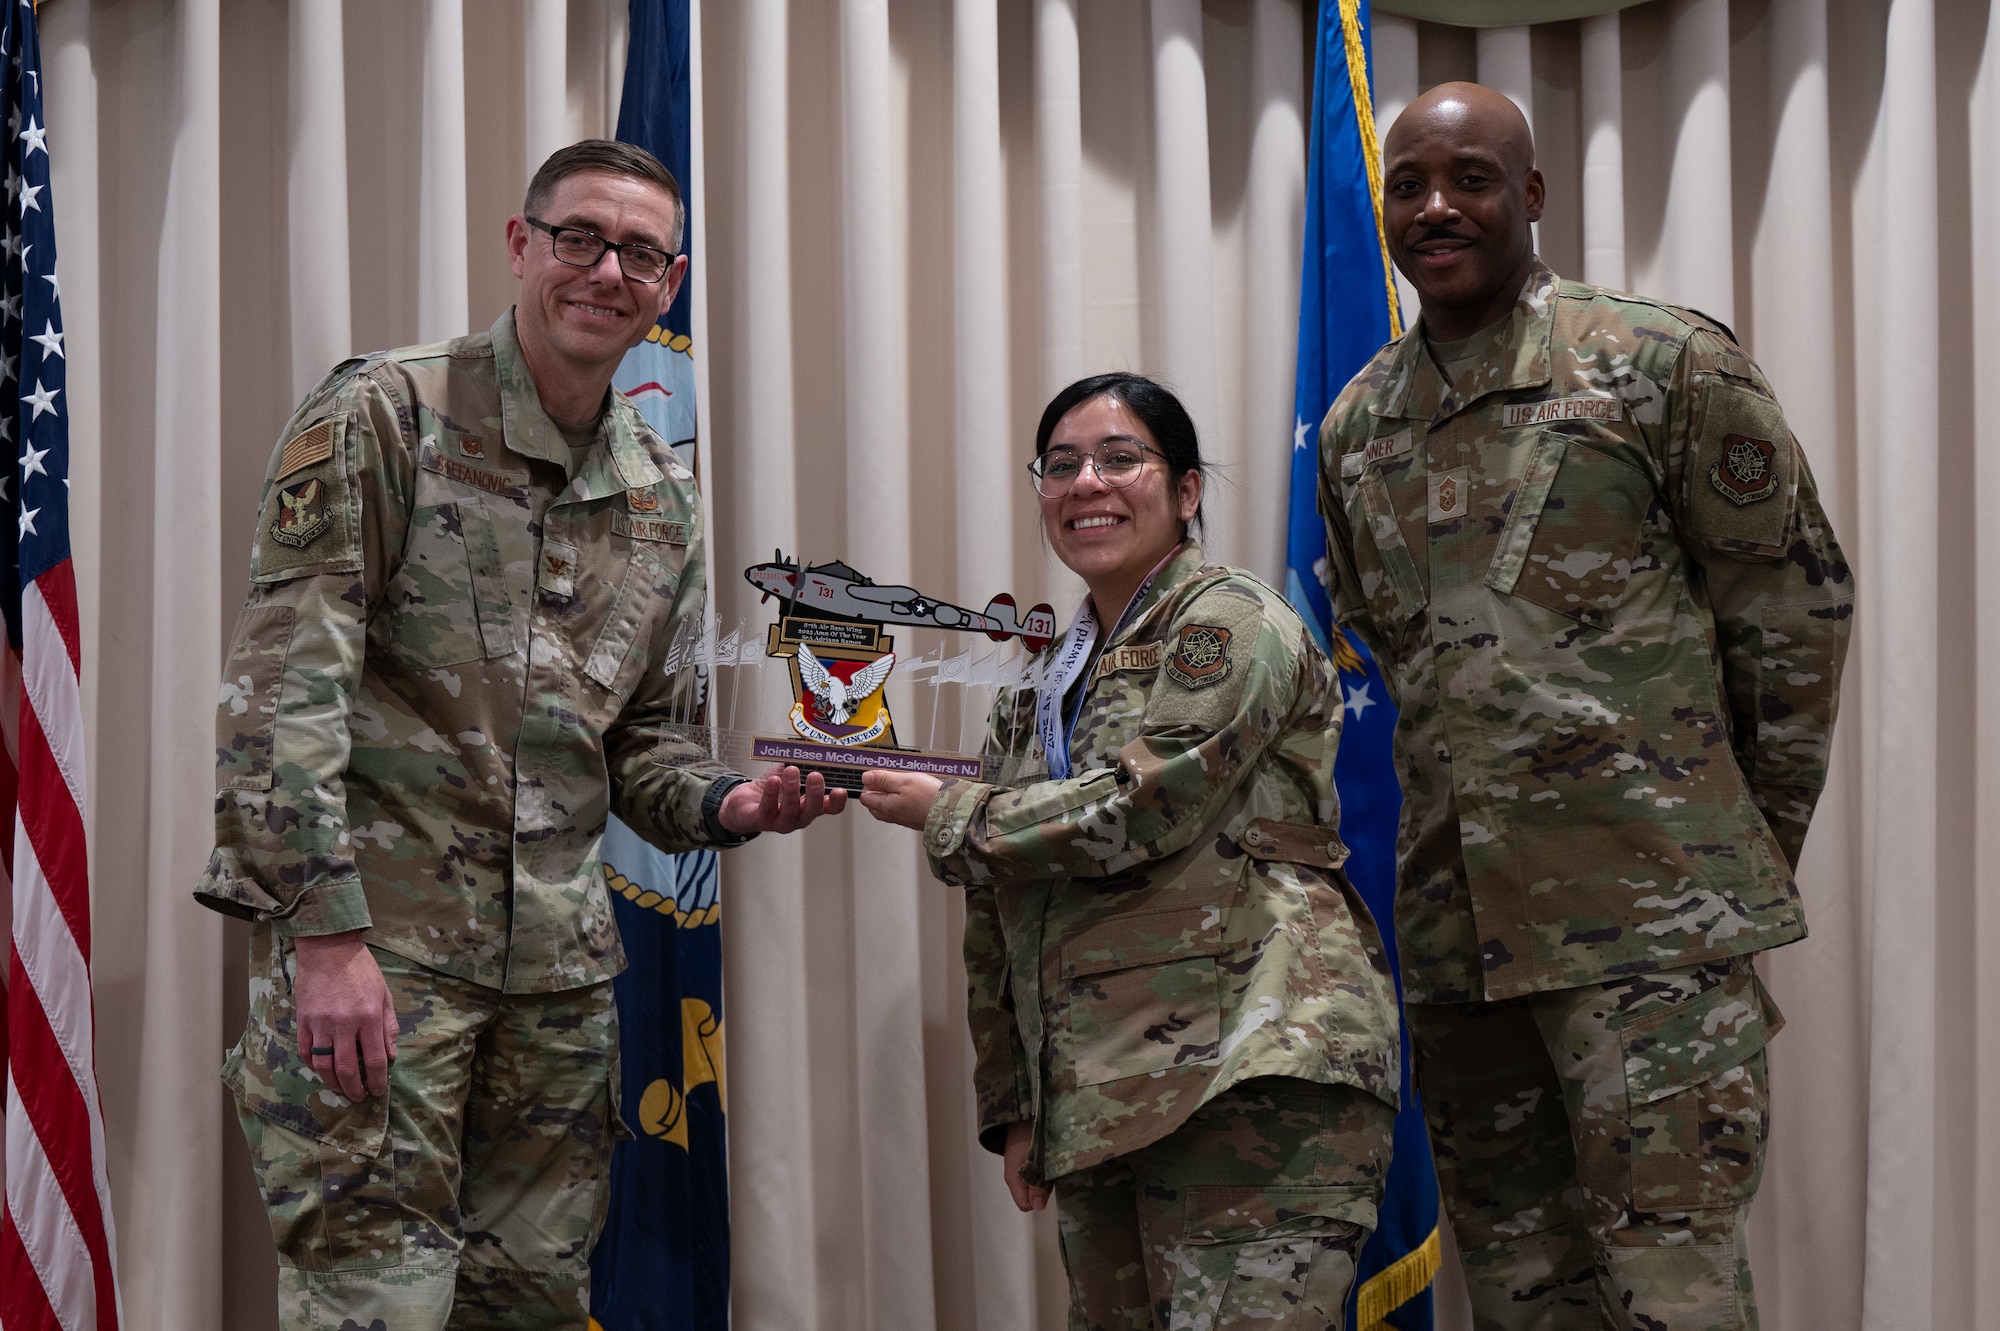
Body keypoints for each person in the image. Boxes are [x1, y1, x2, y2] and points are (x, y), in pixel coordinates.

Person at [195, 140, 845, 1331]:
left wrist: (732, 804)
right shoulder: (386, 412)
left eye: (640, 253)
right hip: (379, 965)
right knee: (371, 1302)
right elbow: (283, 691)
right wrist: (326, 938)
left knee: (533, 1307)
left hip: (555, 986)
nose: (606, 270)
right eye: (579, 238)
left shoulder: (663, 495)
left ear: (671, 280)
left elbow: (641, 745)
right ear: (520, 244)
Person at [1317, 84, 1854, 1329]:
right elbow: (1400, 666)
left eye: (1470, 177)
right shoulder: (1355, 429)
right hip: (1460, 945)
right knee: (1517, 1290)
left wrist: (1722, 857)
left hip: (1651, 930)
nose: (1435, 206)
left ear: (1532, 196)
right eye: (1408, 184)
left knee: (1670, 1289)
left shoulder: (1660, 363)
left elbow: (1792, 619)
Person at [861, 373, 1402, 1328]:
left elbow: (1146, 805)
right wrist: (1017, 1100)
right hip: (1105, 1097)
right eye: (1061, 465)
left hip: (1249, 1073)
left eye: (1121, 459)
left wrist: (952, 813)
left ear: (1187, 490)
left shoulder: (1228, 623)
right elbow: (998, 903)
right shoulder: (1037, 690)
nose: (1086, 484)